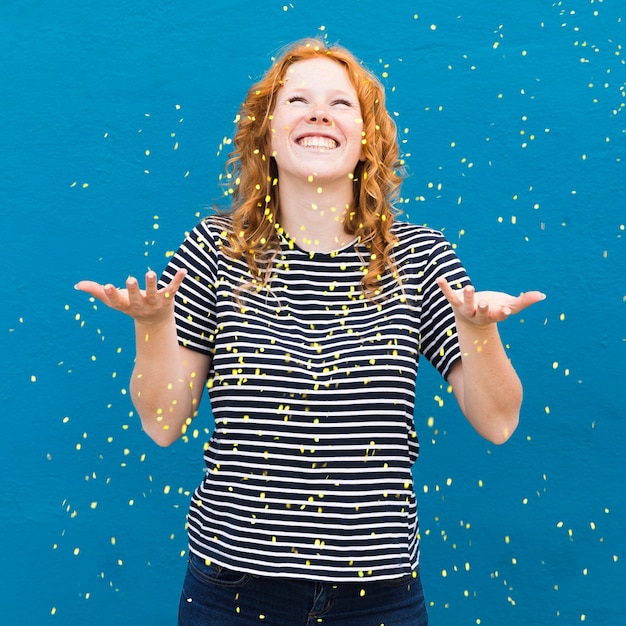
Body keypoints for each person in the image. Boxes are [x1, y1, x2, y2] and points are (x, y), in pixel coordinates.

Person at [76, 37, 545, 626]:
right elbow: (163, 422)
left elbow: (499, 422)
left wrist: (479, 333)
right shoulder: (216, 249)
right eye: (297, 100)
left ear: (368, 138)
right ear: (266, 136)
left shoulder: (418, 255)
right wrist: (152, 325)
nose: (319, 113)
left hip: (380, 600)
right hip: (234, 597)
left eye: (341, 104)